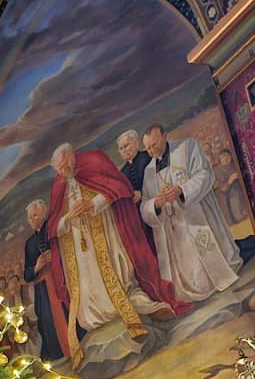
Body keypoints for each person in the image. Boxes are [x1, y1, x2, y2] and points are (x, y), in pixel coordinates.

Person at [47, 141, 183, 365]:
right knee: (88, 281)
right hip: (80, 249)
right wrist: (67, 218)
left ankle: (131, 305)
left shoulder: (94, 160)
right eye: (59, 169)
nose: (64, 171)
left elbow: (119, 188)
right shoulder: (58, 186)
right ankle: (98, 317)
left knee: (116, 272)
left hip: (106, 232)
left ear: (72, 155)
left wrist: (95, 203)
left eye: (65, 164)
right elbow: (54, 226)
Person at [140, 123, 241, 302]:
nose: (151, 151)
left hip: (196, 215)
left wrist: (182, 190)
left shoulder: (187, 147)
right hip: (175, 230)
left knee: (209, 253)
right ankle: (196, 288)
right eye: (147, 148)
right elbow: (145, 205)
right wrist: (156, 203)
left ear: (164, 136)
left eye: (154, 144)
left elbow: (205, 174)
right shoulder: (149, 171)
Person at [21, 198, 68, 361]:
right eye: (30, 218)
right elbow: (26, 274)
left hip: (62, 279)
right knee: (47, 321)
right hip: (43, 290)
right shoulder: (29, 243)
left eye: (35, 215)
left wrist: (56, 256)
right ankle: (57, 354)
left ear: (43, 214)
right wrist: (37, 266)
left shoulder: (54, 228)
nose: (32, 220)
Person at [116, 129, 152, 202]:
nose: (124, 150)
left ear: (136, 144)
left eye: (126, 146)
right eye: (121, 148)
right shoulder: (122, 173)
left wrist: (141, 194)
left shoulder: (148, 156)